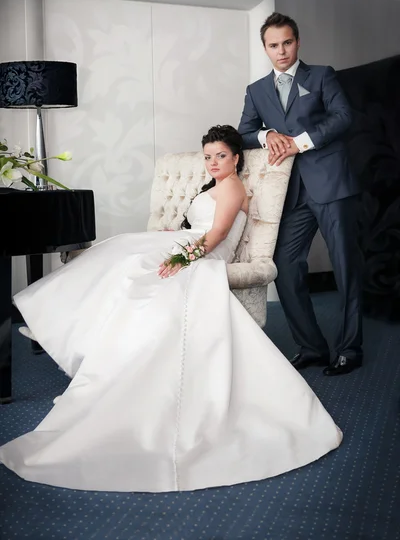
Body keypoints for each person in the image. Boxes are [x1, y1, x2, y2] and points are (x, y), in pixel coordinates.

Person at [0, 125, 342, 493]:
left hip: (204, 254)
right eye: (208, 157)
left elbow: (217, 235)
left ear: (236, 157)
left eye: (221, 156)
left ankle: (82, 338)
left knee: (135, 271)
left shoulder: (232, 187)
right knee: (118, 254)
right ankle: (73, 328)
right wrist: (172, 242)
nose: (213, 163)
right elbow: (200, 226)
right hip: (187, 244)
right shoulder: (214, 186)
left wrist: (182, 258)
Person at [238, 12, 362, 377]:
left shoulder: (322, 75)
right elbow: (245, 132)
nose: (282, 51)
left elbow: (343, 117)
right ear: (265, 48)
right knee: (285, 265)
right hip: (290, 194)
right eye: (274, 45)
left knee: (345, 267)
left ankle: (350, 349)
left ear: (297, 42)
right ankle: (311, 347)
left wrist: (298, 143)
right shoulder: (256, 90)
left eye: (287, 43)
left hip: (332, 184)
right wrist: (266, 135)